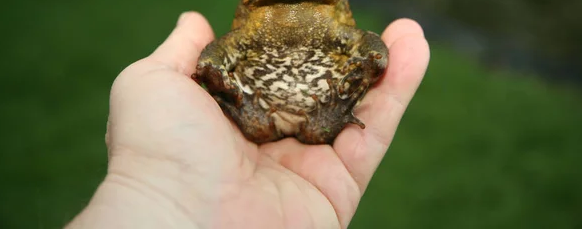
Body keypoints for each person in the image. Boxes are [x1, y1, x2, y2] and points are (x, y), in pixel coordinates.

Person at [66, 12, 430, 229]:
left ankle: (327, 117)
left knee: (325, 120)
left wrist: (357, 75)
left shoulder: (333, 21)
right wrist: (162, 192)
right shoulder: (250, 27)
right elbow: (212, 61)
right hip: (253, 116)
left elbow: (373, 53)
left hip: (320, 115)